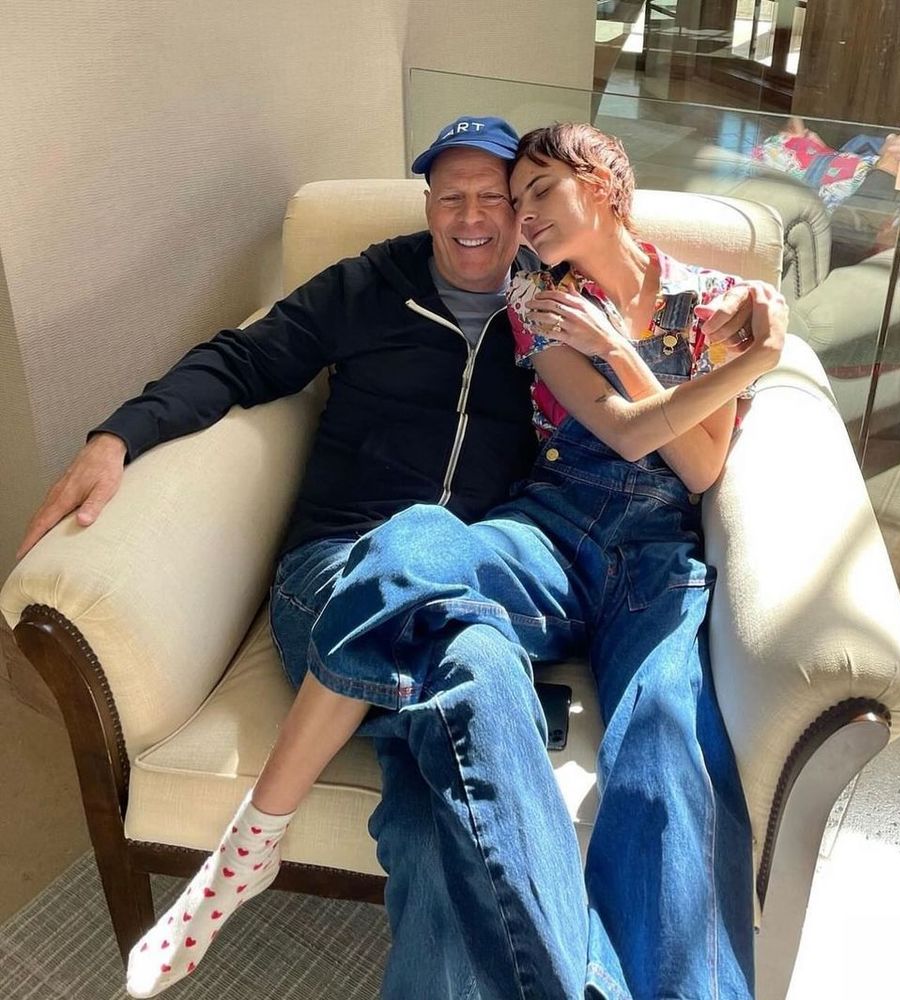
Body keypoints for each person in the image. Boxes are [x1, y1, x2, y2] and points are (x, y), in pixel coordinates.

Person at [18, 115, 783, 1000]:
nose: (478, 217)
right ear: (426, 206)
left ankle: (250, 844)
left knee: (442, 822)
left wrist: (742, 340)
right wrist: (119, 435)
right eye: (452, 198)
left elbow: (692, 439)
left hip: (515, 571)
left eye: (503, 198)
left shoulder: (573, 300)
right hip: (349, 568)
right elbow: (242, 358)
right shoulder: (388, 289)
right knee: (468, 645)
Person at [751, 117, 900, 268]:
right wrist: (886, 174)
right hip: (858, 213)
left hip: (856, 192)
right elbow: (840, 243)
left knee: (869, 146)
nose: (803, 131)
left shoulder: (859, 148)